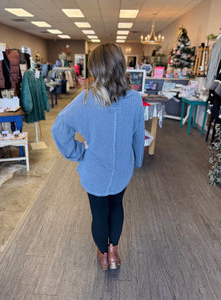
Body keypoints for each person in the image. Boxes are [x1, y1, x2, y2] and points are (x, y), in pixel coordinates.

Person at [51, 43, 145, 270]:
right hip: (122, 168)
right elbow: (138, 135)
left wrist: (77, 152)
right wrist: (137, 160)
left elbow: (58, 128)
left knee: (99, 214)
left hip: (95, 172)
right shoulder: (134, 99)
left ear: (95, 68)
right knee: (117, 206)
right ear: (121, 66)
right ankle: (114, 251)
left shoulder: (85, 100)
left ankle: (103, 254)